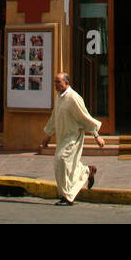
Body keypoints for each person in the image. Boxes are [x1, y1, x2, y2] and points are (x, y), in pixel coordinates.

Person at [38, 72, 105, 205]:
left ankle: (67, 197)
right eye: (55, 82)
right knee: (63, 165)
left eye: (58, 82)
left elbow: (85, 117)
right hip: (62, 137)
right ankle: (87, 171)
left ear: (66, 83)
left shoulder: (74, 98)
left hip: (73, 137)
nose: (56, 85)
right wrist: (47, 136)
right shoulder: (59, 97)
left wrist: (96, 136)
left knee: (62, 160)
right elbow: (54, 118)